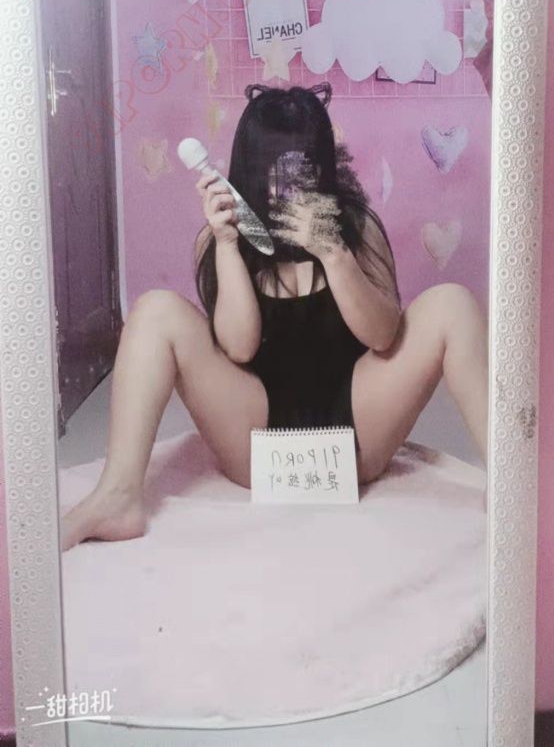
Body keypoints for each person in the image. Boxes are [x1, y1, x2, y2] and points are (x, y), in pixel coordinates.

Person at [60, 82, 488, 552]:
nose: (289, 186)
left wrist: (334, 253)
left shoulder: (357, 227)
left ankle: (509, 479)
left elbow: (384, 337)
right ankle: (118, 495)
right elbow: (238, 347)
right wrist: (227, 244)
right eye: (275, 169)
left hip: (355, 437)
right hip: (257, 440)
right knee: (154, 310)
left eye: (304, 167)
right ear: (250, 169)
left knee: (452, 303)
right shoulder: (219, 236)